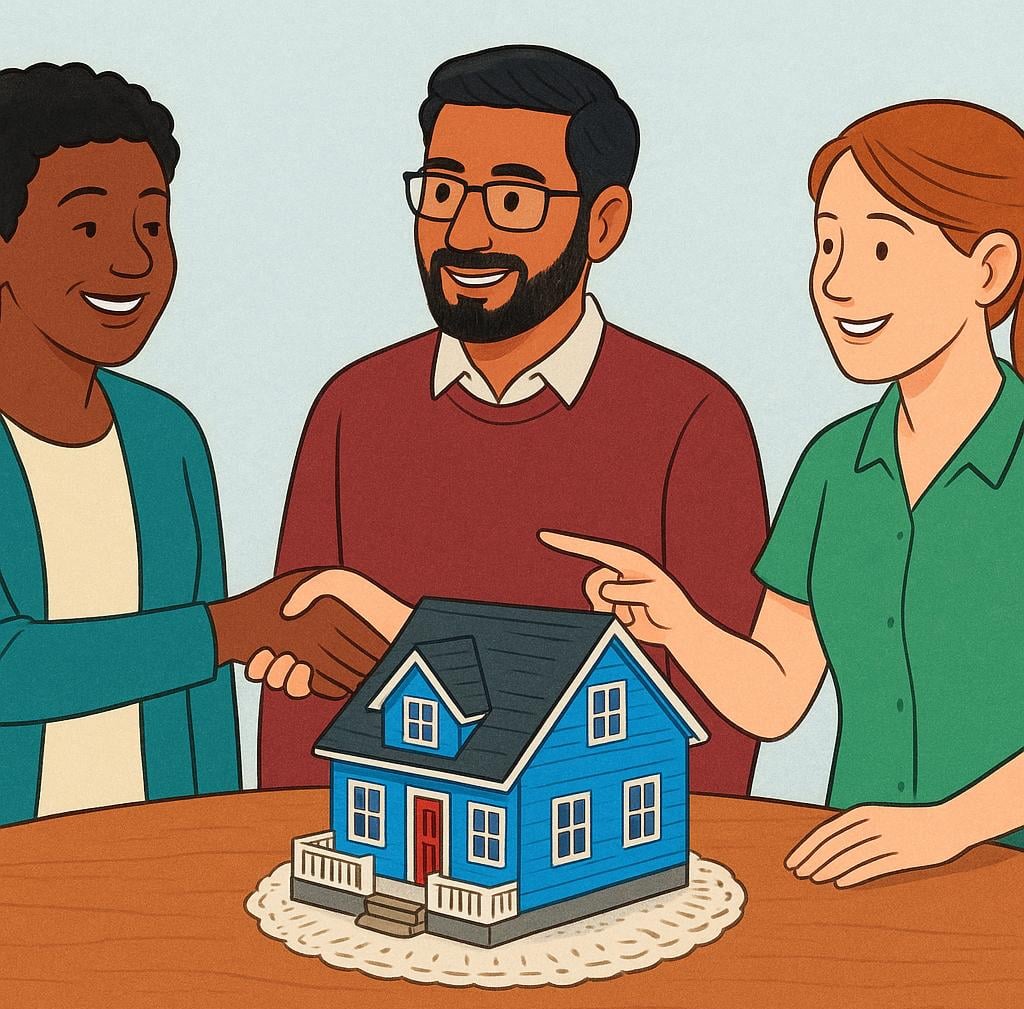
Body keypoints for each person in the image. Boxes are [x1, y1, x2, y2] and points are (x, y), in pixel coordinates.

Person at [253, 45, 769, 796]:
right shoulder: (353, 409)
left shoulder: (691, 417)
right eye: (441, 190)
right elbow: (301, 689)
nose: (464, 233)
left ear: (604, 223)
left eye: (514, 201)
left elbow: (716, 720)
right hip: (382, 869)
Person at [541, 99, 1024, 886]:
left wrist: (945, 829)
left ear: (990, 269)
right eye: (825, 243)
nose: (835, 282)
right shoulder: (834, 465)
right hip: (857, 878)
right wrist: (675, 619)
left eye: (877, 248)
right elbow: (776, 697)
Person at [0, 63, 386, 826]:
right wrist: (236, 628)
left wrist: (213, 852)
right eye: (87, 227)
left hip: (157, 866)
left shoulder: (166, 438)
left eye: (152, 224)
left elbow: (204, 696)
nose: (134, 261)